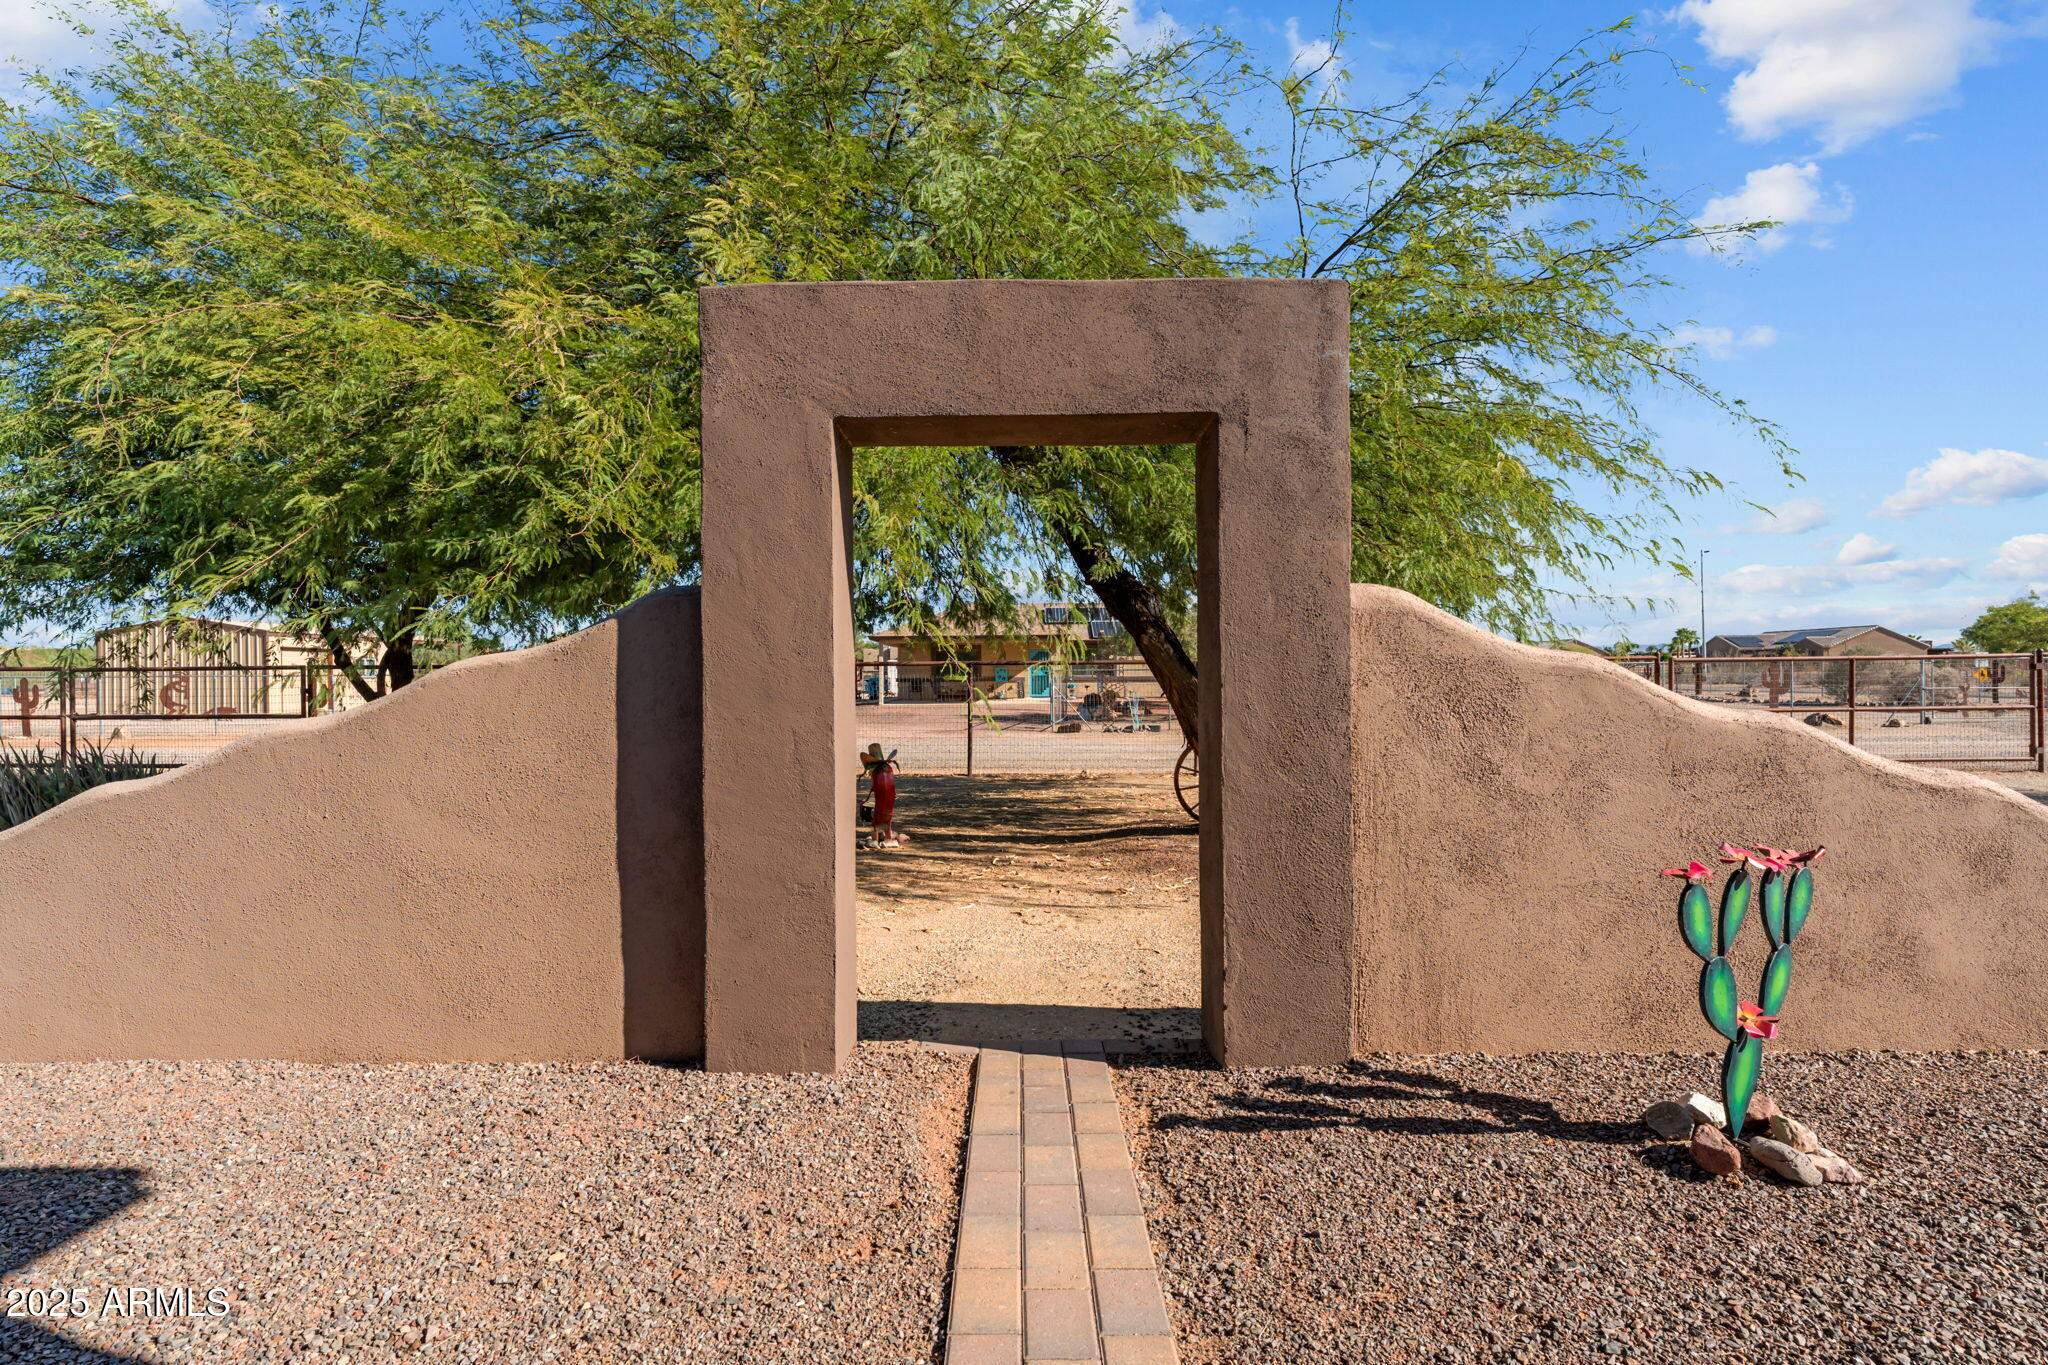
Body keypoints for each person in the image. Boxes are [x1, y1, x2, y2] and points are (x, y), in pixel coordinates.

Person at [860, 743, 902, 848]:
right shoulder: (887, 768)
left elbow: (877, 785)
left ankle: (875, 840)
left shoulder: (876, 770)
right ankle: (888, 839)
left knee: (877, 819)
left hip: (881, 799)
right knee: (887, 818)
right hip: (890, 799)